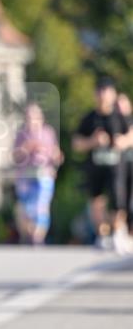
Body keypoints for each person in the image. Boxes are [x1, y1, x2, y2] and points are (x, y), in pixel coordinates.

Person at [72, 78, 132, 253]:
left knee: (118, 200)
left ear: (112, 94)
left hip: (116, 167)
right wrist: (92, 141)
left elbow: (131, 134)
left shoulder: (120, 116)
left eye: (106, 91)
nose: (103, 96)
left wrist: (123, 141)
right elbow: (77, 143)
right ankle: (102, 235)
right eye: (100, 91)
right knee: (96, 200)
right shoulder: (90, 118)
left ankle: (117, 233)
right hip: (95, 166)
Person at [12, 102, 62, 245]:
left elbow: (56, 154)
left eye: (34, 116)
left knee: (42, 205)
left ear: (41, 117)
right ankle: (27, 235)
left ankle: (38, 238)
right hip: (25, 175)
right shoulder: (21, 134)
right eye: (28, 117)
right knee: (25, 208)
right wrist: (27, 148)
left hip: (44, 173)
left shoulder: (48, 132)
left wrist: (54, 159)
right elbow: (15, 156)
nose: (31, 120)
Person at [116, 92, 133, 241]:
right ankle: (124, 234)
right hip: (122, 171)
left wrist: (126, 140)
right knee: (123, 202)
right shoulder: (114, 123)